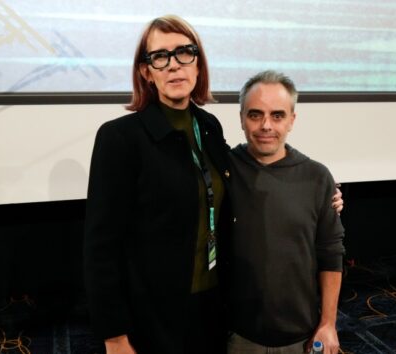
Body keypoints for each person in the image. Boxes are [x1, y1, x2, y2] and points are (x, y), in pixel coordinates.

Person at [83, 15, 344, 354]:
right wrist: (115, 337)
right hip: (153, 312)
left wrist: (326, 196)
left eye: (184, 53)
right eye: (160, 57)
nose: (174, 65)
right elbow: (101, 248)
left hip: (211, 308)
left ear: (198, 64)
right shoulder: (121, 138)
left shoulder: (208, 127)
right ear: (146, 71)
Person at [225, 70, 345, 354]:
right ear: (241, 117)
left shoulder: (317, 177)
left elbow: (331, 254)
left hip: (301, 335)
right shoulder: (221, 170)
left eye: (277, 116)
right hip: (234, 335)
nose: (266, 125)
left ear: (292, 119)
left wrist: (328, 323)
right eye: (255, 115)